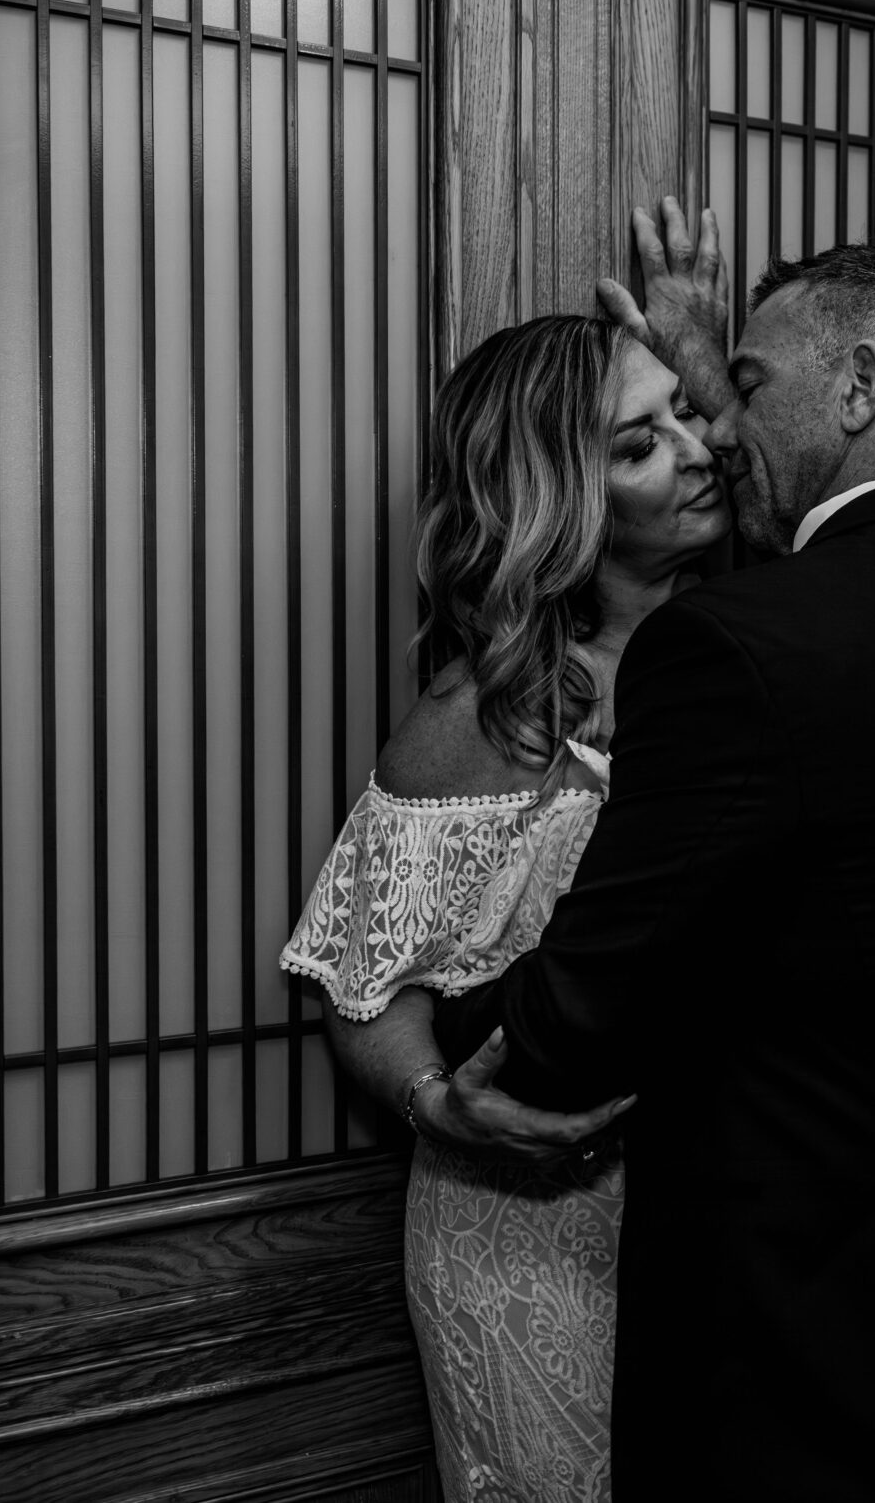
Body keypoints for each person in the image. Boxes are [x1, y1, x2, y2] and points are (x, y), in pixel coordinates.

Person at [432, 205, 875, 1500]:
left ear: (861, 386)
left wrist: (474, 1069)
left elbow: (587, 1009)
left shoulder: (731, 648)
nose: (718, 430)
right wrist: (726, 371)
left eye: (741, 392)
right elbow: (860, 638)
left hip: (821, 1348)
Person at [278, 312, 728, 1502]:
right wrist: (445, 1109)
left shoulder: (750, 655)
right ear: (562, 499)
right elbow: (358, 979)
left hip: (727, 1223)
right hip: (532, 1234)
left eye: (689, 413)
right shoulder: (485, 719)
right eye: (641, 441)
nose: (698, 449)